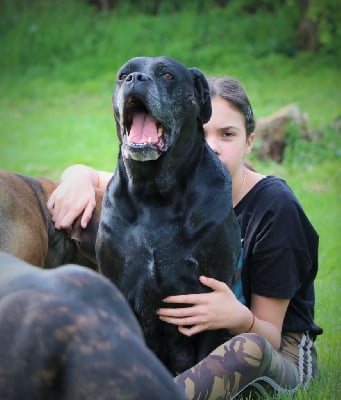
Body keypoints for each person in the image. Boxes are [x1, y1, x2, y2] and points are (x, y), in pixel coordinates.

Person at [47, 76, 323, 399]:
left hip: (273, 350)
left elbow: (271, 335)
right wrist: (77, 174)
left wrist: (237, 316)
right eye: (202, 133)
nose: (213, 146)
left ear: (249, 142)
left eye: (227, 134)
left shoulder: (275, 208)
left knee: (249, 349)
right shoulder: (179, 187)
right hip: (200, 341)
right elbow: (104, 181)